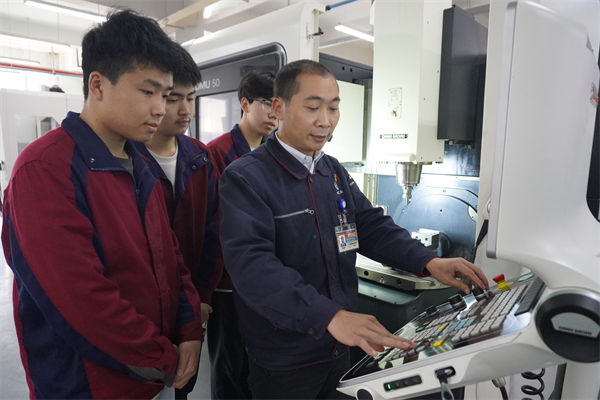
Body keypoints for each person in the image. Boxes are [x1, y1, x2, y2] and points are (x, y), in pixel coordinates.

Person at [218, 59, 490, 400]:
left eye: (333, 108)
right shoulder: (246, 177)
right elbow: (253, 267)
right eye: (313, 107)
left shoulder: (331, 170)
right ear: (279, 107)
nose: (325, 120)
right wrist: (329, 316)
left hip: (338, 349)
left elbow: (370, 226)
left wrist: (428, 262)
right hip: (286, 357)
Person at [1, 9, 204, 399]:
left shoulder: (139, 162)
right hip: (88, 384)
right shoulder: (46, 169)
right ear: (97, 85)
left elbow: (170, 256)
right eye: (148, 92)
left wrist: (189, 329)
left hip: (151, 373)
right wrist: (162, 358)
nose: (161, 108)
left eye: (165, 94)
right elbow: (80, 298)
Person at [133, 47, 222, 400]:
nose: (184, 110)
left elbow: (216, 233)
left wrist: (200, 298)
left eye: (191, 98)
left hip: (192, 302)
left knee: (185, 381)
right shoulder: (129, 159)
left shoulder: (200, 157)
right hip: (144, 309)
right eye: (173, 99)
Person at [206, 68, 278, 400]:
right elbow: (212, 222)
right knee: (228, 364)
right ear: (245, 104)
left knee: (256, 366)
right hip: (228, 283)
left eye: (278, 105)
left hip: (263, 279)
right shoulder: (217, 152)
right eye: (267, 104)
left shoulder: (273, 152)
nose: (274, 113)